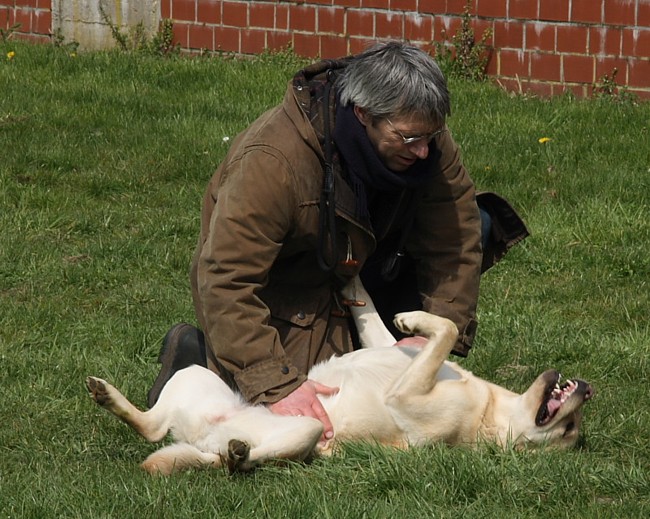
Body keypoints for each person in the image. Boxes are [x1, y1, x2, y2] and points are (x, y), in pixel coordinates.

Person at [147, 41, 528, 441]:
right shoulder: (272, 162)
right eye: (410, 139)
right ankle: (200, 360)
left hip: (361, 263)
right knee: (300, 407)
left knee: (477, 222)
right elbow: (226, 278)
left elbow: (455, 238)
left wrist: (436, 329)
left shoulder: (420, 132)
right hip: (293, 288)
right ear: (363, 114)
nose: (424, 150)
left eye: (432, 135)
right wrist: (275, 382)